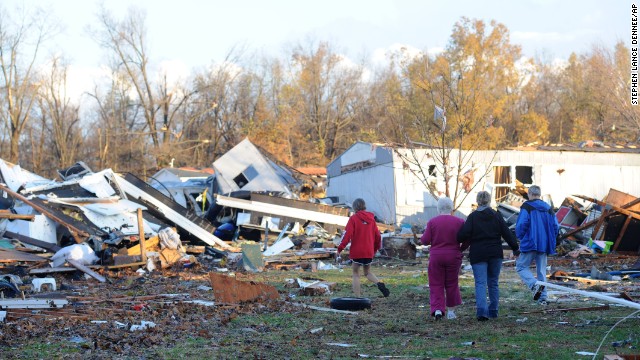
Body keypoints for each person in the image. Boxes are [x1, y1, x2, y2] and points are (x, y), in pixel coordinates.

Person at [457, 191, 520, 321]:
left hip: (478, 253)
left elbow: (462, 235)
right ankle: (493, 310)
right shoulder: (497, 215)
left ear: (478, 201)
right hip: (495, 253)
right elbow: (507, 233)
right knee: (493, 282)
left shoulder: (473, 217)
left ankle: (482, 312)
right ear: (489, 200)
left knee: (480, 283)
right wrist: (515, 248)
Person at [420, 197, 465, 320]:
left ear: (438, 208)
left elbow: (424, 240)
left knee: (436, 283)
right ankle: (451, 311)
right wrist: (460, 250)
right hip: (453, 256)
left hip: (436, 257)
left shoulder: (432, 222)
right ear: (452, 208)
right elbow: (466, 238)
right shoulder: (460, 222)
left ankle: (438, 309)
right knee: (452, 283)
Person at [515, 185, 559, 306]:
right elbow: (556, 226)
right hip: (544, 244)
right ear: (539, 194)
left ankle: (534, 285)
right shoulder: (548, 208)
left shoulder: (527, 206)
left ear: (529, 194)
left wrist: (520, 236)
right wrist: (552, 238)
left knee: (521, 267)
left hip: (530, 242)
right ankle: (543, 297)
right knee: (541, 271)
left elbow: (521, 224)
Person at [337, 198, 390, 297]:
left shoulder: (353, 219)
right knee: (367, 272)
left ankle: (357, 297)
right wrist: (376, 249)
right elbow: (378, 236)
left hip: (357, 251)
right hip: (368, 252)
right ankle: (379, 283)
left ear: (354, 207)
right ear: (364, 206)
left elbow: (347, 235)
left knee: (356, 274)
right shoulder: (372, 219)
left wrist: (340, 248)